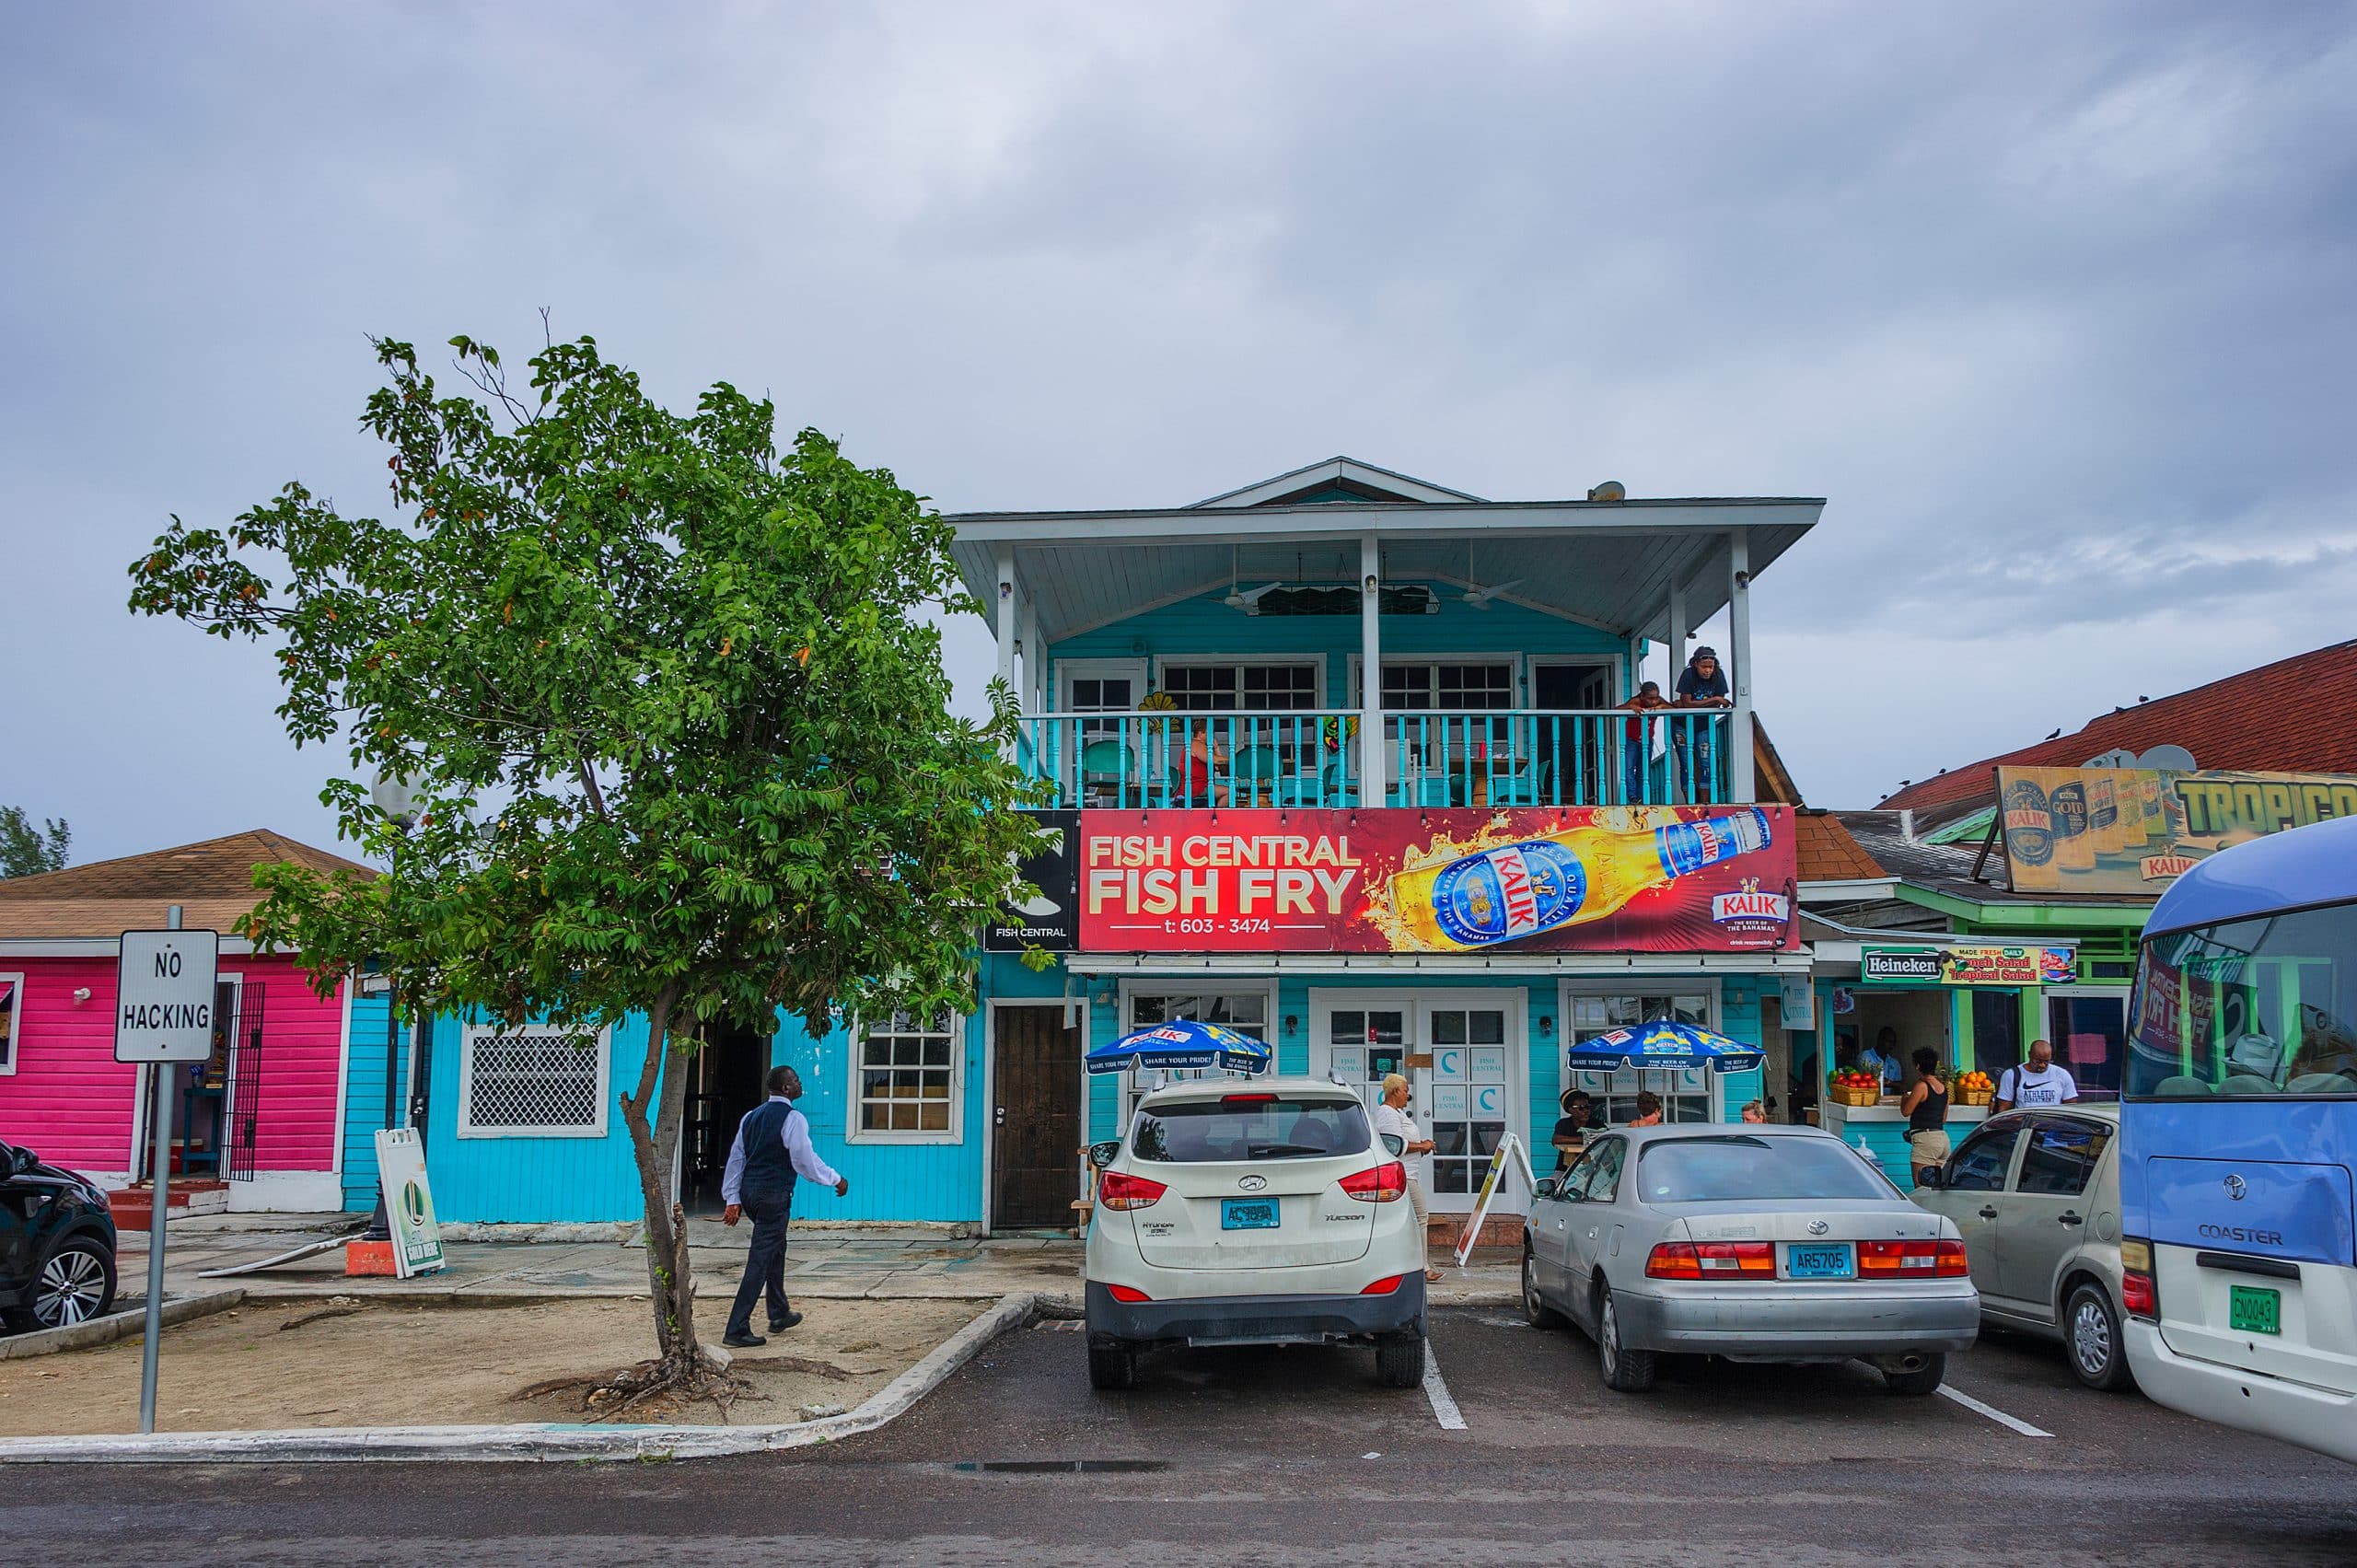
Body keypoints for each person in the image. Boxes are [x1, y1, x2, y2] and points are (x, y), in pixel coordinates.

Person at [720, 1063, 851, 1348]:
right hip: (773, 1195)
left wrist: (733, 1198)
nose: (800, 1083)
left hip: (751, 1194)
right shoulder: (793, 1118)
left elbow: (736, 1159)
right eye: (796, 1080)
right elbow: (804, 1160)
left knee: (775, 1249)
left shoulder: (750, 1117)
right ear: (786, 1088)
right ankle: (736, 1327)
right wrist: (835, 1179)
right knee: (760, 1259)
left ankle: (779, 1313)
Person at [1372, 1074, 1441, 1283]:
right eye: (1405, 1091)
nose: (1407, 1096)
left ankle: (1415, 1266)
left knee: (1411, 1219)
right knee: (1422, 1216)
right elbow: (1392, 1145)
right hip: (1403, 1174)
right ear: (1395, 1091)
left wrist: (1422, 1145)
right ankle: (1424, 1268)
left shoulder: (1397, 1112)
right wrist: (1422, 1146)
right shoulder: (1388, 1114)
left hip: (1409, 1173)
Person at [1672, 646, 1732, 801]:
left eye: (1710, 667)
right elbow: (1687, 704)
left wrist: (1701, 703)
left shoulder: (1718, 675)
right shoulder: (1688, 674)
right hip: (1682, 725)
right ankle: (1689, 801)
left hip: (1704, 725)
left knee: (1706, 762)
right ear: (1696, 665)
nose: (1708, 671)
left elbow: (1716, 707)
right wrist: (1715, 699)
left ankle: (1704, 802)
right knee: (1686, 763)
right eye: (1704, 667)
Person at [1899, 1048, 1949, 1183]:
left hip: (1926, 1141)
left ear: (1918, 1066)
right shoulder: (1944, 1088)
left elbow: (1906, 1111)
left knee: (1921, 1189)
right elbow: (1943, 1119)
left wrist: (1904, 1097)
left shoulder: (1921, 1086)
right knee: (1937, 1188)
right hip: (1942, 1139)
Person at [1618, 680, 1671, 803]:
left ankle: (1641, 798)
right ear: (1642, 696)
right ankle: (1632, 796)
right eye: (1650, 699)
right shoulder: (1636, 701)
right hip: (1632, 740)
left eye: (1656, 698)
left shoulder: (1659, 701)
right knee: (1629, 768)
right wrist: (1630, 707)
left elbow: (1672, 707)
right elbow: (1617, 709)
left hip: (1647, 741)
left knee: (1643, 770)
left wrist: (1661, 707)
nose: (1653, 701)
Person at [1994, 1039, 2081, 1111]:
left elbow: (2071, 1107)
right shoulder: (2012, 1075)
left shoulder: (2061, 1074)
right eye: (2037, 1061)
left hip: (2053, 1128)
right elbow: (2004, 1109)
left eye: (2046, 1061)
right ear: (2029, 1055)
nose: (2042, 1065)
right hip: (2024, 1128)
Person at [1550, 1089, 1606, 1169]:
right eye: (1581, 1108)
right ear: (1571, 1110)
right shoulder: (1564, 1123)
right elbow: (1556, 1139)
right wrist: (1584, 1139)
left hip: (1593, 1169)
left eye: (1587, 1107)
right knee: (1555, 1181)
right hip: (1565, 1170)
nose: (1586, 1111)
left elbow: (1604, 1137)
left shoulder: (1597, 1124)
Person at [1857, 1027, 1906, 1091]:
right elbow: (1867, 1079)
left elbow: (1901, 1085)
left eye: (1893, 1043)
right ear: (1880, 1040)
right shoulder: (1866, 1055)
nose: (1892, 1046)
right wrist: (1890, 1083)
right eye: (1889, 1041)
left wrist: (1888, 1082)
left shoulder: (1894, 1063)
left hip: (1890, 1099)